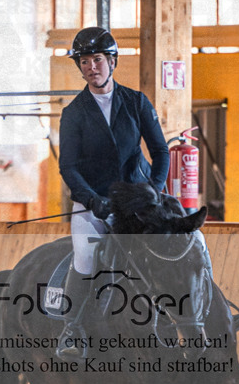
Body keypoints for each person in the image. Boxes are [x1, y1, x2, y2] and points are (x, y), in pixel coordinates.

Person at [57, 26, 170, 357]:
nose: (91, 67)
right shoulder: (73, 114)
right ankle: (72, 329)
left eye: (97, 60)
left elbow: (160, 152)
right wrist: (92, 200)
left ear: (112, 61)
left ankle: (197, 313)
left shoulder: (136, 102)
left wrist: (152, 191)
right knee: (86, 256)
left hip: (139, 199)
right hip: (94, 203)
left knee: (175, 243)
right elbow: (69, 167)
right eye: (85, 62)